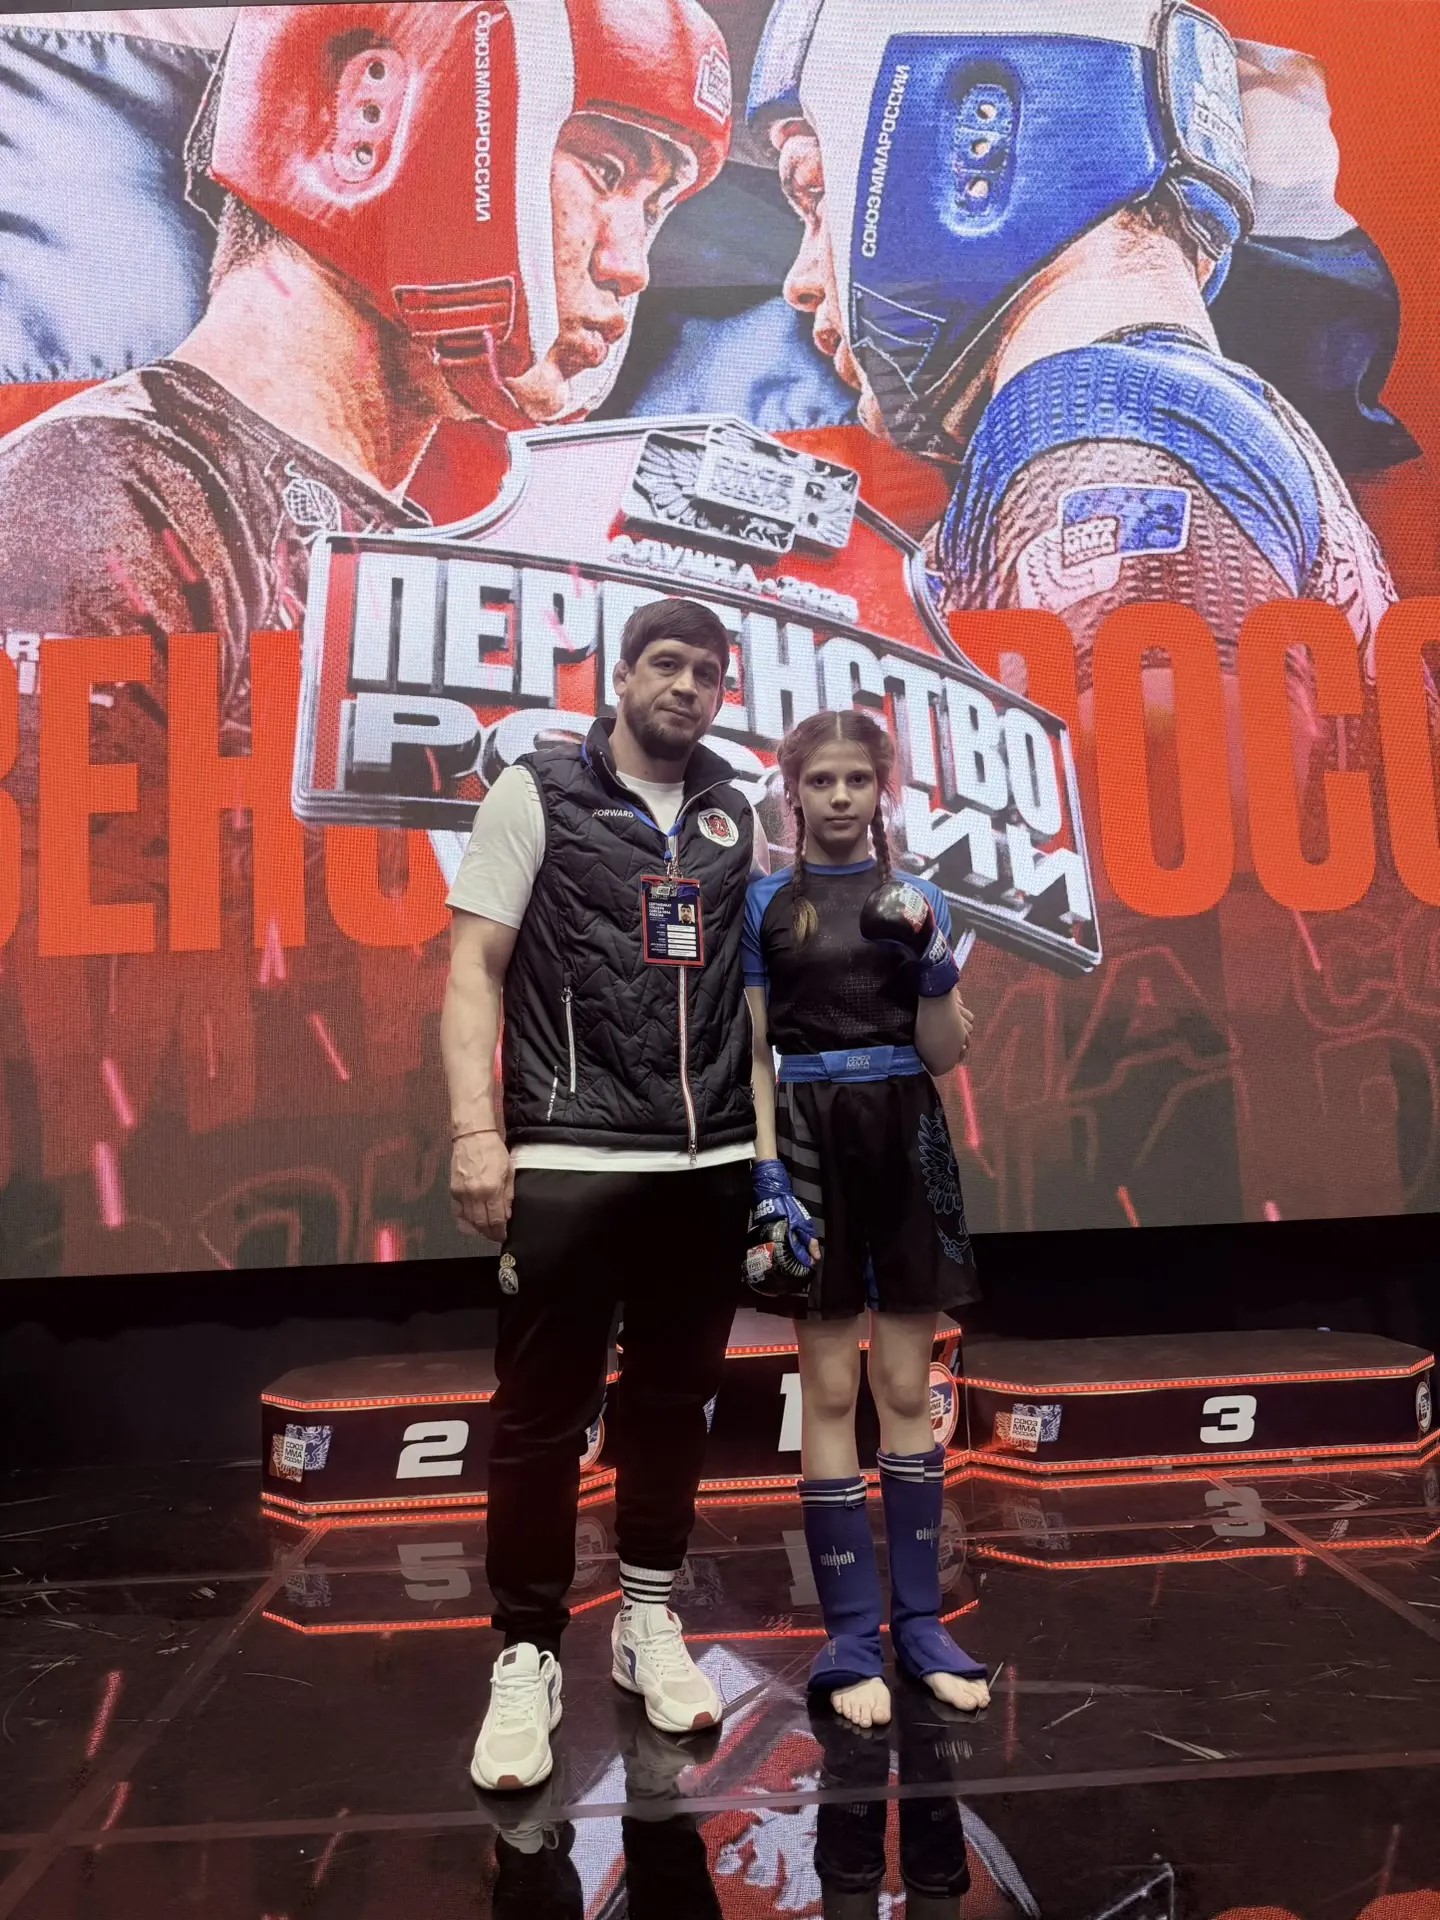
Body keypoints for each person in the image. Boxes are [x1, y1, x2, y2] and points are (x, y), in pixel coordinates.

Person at [443, 595, 761, 1792]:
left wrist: (766, 1155)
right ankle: (526, 1655)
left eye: (706, 673)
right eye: (665, 665)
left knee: (672, 1407)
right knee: (541, 1419)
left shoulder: (735, 815)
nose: (685, 687)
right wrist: (476, 1134)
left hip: (707, 1163)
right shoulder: (537, 792)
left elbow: (747, 995)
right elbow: (473, 967)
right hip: (570, 1157)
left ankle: (647, 1619)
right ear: (619, 677)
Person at [741, 708, 989, 1730]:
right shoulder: (764, 903)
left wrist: (933, 964)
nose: (838, 796)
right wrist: (766, 1172)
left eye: (856, 779)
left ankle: (920, 1626)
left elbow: (946, 1054)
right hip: (807, 1144)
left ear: (881, 788)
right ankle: (850, 1638)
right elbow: (754, 1052)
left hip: (905, 1132)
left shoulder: (921, 898)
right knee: (830, 1389)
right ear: (792, 792)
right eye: (820, 780)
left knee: (904, 1386)